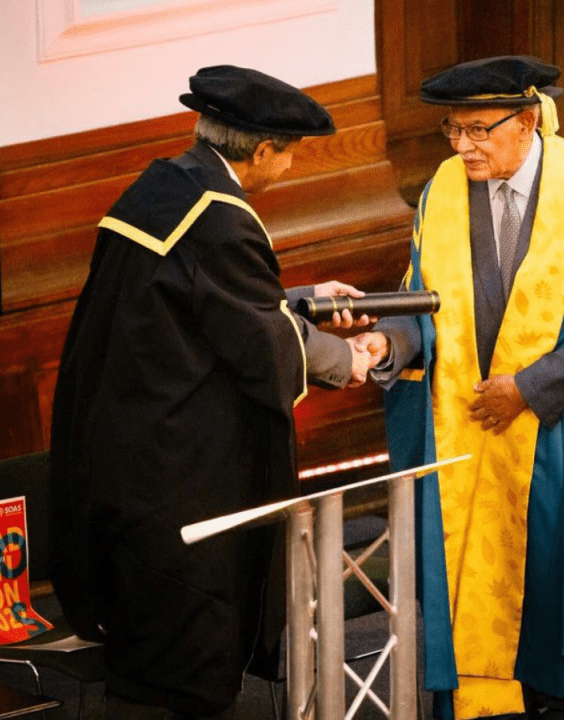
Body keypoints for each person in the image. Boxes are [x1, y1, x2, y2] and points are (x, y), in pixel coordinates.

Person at [352, 56, 564, 720]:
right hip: (474, 441)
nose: (463, 147)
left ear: (527, 119)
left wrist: (531, 388)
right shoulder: (444, 190)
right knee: (476, 614)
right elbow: (427, 306)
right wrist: (388, 344)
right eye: (453, 130)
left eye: (479, 130)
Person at [49, 65, 375, 719]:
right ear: (261, 152)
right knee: (181, 667)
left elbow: (188, 313)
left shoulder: (161, 187)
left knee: (143, 642)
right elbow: (264, 351)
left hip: (121, 458)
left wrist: (301, 302)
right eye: (290, 155)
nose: (288, 168)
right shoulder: (225, 221)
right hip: (182, 480)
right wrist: (351, 359)